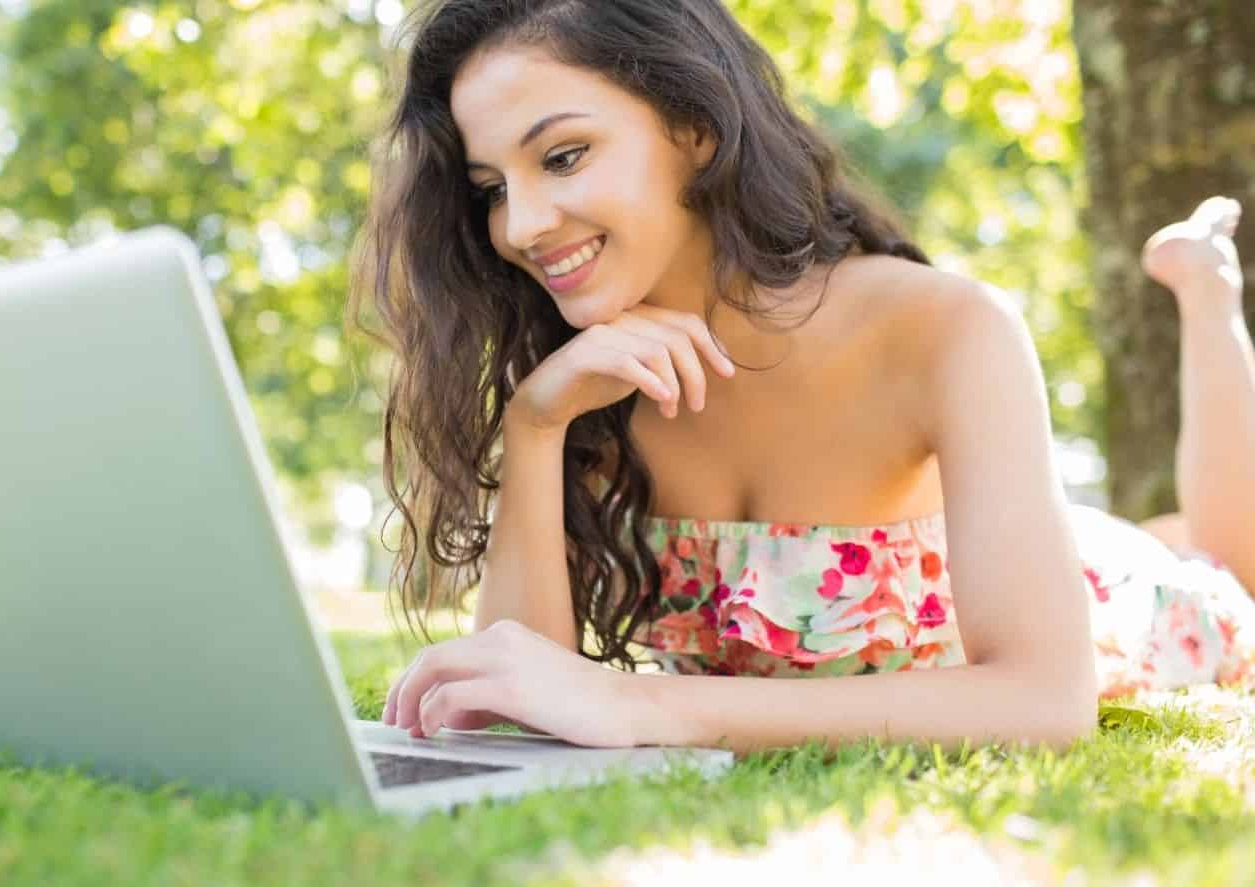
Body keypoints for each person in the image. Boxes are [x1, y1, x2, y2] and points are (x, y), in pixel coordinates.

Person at [344, 0, 1255, 755]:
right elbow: (522, 695)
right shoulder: (587, 379)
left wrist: (651, 708)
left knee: (1231, 572)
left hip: (1109, 600)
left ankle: (1206, 291)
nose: (523, 224)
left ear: (694, 129)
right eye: (491, 187)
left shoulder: (945, 325)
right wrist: (536, 427)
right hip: (1019, 553)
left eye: (564, 156)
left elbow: (1046, 704)